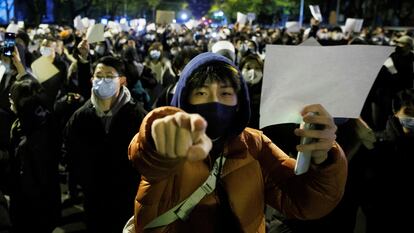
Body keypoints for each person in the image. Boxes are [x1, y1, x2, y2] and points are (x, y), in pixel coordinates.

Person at [128, 52, 347, 233]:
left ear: (238, 101)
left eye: (225, 93)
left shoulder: (254, 144)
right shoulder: (170, 147)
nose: (214, 103)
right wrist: (158, 137)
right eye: (202, 92)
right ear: (185, 98)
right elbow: (147, 156)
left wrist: (323, 160)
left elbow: (304, 202)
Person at [62, 56, 147, 233]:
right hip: (93, 196)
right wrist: (83, 178)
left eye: (109, 76)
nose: (103, 80)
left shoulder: (138, 116)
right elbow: (69, 151)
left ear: (122, 80)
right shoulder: (80, 116)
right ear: (92, 79)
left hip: (127, 196)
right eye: (99, 75)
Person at [8, 77, 61, 233]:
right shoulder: (43, 119)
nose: (9, 100)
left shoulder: (27, 132)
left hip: (31, 206)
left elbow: (28, 174)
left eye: (13, 96)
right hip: (45, 200)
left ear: (23, 101)